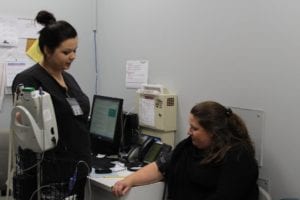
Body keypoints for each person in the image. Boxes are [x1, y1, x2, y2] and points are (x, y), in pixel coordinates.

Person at [12, 10, 91, 200]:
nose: (73, 57)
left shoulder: (69, 79)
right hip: (47, 177)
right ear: (47, 50)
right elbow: (24, 123)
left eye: (75, 51)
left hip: (76, 169)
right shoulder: (28, 80)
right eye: (66, 52)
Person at [112, 101, 259, 200]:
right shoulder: (188, 147)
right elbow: (161, 167)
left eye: (195, 128)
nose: (189, 132)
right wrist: (129, 180)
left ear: (213, 132)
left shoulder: (238, 157)